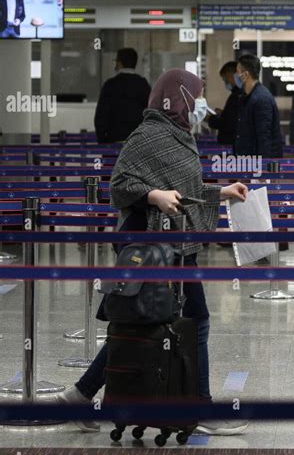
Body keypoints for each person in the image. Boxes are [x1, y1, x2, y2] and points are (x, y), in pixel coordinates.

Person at [59, 68, 249, 436]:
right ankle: (201, 408)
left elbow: (184, 191)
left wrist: (223, 192)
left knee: (141, 323)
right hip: (149, 247)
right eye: (197, 94)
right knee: (194, 322)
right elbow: (119, 185)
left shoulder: (179, 135)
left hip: (173, 245)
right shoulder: (147, 134)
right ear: (179, 96)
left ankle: (80, 395)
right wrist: (153, 196)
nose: (200, 103)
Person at [94, 48, 151, 143]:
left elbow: (101, 117)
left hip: (113, 141)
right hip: (138, 142)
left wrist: (103, 142)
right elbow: (150, 114)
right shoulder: (143, 85)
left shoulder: (110, 85)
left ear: (119, 63)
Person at [234, 54, 283, 157]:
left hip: (257, 164)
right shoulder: (246, 97)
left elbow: (264, 137)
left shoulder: (261, 99)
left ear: (245, 75)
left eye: (238, 72)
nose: (236, 76)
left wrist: (263, 168)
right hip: (247, 161)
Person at [207, 61, 242, 144]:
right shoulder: (238, 95)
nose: (226, 81)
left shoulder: (237, 96)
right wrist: (223, 113)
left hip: (231, 147)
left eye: (225, 78)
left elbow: (227, 123)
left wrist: (210, 119)